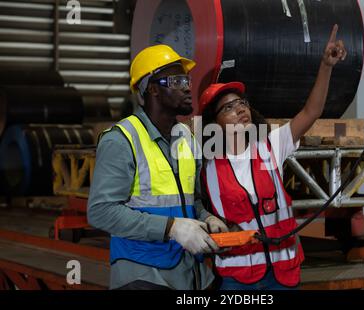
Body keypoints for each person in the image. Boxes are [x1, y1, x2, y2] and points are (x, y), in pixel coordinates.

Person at [199, 25, 347, 290]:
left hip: (282, 274)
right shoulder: (205, 166)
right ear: (215, 122)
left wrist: (326, 66)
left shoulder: (271, 147)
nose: (240, 110)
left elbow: (311, 112)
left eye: (242, 103)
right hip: (237, 279)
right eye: (229, 108)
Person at [87, 45, 228, 290]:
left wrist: (207, 217)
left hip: (190, 271)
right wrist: (171, 228)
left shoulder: (186, 136)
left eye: (187, 79)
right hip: (142, 273)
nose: (187, 86)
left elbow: (190, 201)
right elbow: (100, 211)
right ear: (152, 89)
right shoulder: (121, 140)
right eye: (176, 80)